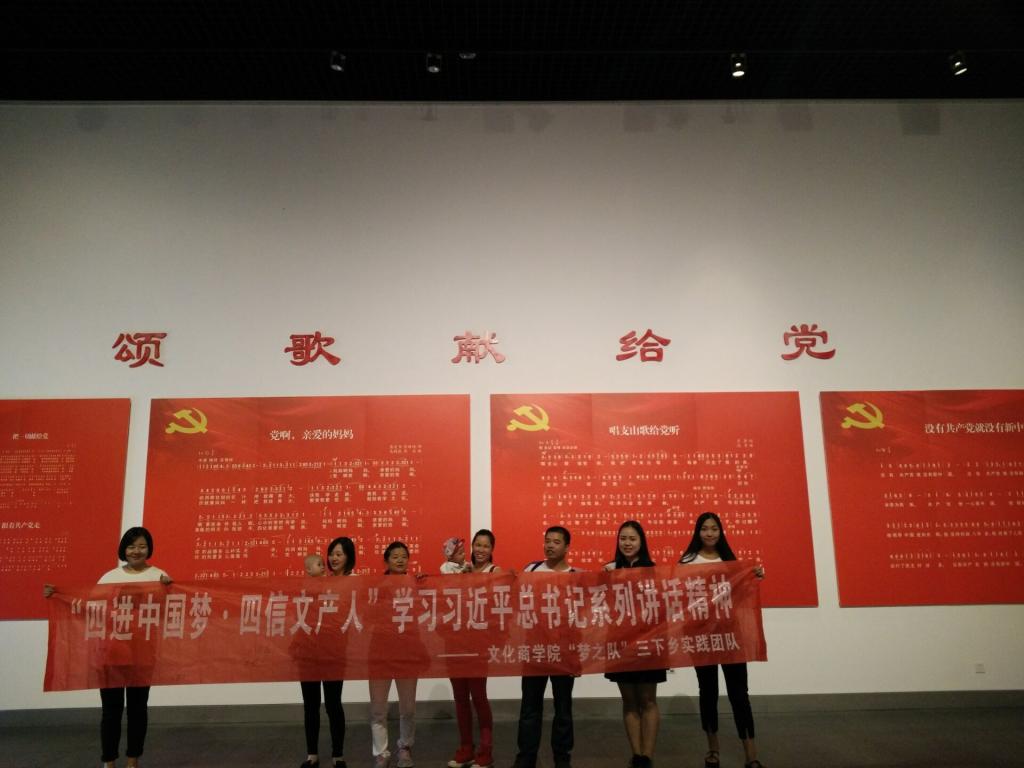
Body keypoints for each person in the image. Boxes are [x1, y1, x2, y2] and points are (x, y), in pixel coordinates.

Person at [45, 526, 172, 768]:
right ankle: (109, 761)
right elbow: (89, 606)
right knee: (111, 710)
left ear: (149, 549)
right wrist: (58, 595)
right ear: (124, 549)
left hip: (142, 654)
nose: (136, 551)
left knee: (137, 709)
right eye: (131, 546)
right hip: (111, 652)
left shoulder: (160, 576)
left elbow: (170, 611)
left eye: (142, 546)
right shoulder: (110, 577)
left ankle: (133, 760)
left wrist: (169, 588)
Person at [678, 512, 766, 768]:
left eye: (714, 528)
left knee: (740, 694)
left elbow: (741, 594)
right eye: (705, 528)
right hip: (701, 636)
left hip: (730, 635)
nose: (709, 533)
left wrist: (754, 575)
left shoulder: (730, 561)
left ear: (720, 531)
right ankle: (713, 749)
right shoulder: (687, 561)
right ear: (698, 532)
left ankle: (751, 754)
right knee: (708, 692)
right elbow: (679, 595)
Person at [511, 526, 577, 768]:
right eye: (547, 541)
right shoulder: (531, 569)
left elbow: (581, 617)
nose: (550, 545)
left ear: (567, 547)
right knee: (530, 706)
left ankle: (562, 757)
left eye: (556, 542)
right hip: (535, 649)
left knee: (563, 708)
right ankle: (526, 756)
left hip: (564, 651)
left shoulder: (576, 576)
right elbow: (515, 598)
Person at [602, 521, 665, 768]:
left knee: (648, 700)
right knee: (628, 701)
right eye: (623, 538)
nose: (627, 543)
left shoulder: (653, 570)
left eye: (632, 539)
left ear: (641, 542)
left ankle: (647, 755)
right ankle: (636, 754)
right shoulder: (609, 570)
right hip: (620, 644)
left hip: (648, 643)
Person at [299, 536, 355, 768]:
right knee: (310, 704)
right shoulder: (316, 583)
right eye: (331, 554)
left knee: (333, 703)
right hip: (308, 652)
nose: (333, 558)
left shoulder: (354, 583)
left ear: (349, 557)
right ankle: (312, 755)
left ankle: (337, 755)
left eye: (339, 554)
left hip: (334, 652)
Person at [443, 532, 498, 768]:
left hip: (478, 644)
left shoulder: (495, 572)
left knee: (479, 697)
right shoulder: (460, 569)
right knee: (460, 698)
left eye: (486, 546)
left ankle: (485, 750)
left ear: (492, 549)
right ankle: (466, 748)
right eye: (477, 545)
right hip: (455, 642)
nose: (481, 550)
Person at [369, 541, 418, 768]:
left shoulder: (415, 584)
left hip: (407, 653)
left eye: (404, 556)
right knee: (378, 708)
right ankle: (381, 752)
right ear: (386, 561)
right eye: (395, 556)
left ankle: (405, 747)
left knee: (407, 707)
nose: (400, 560)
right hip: (379, 653)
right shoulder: (375, 586)